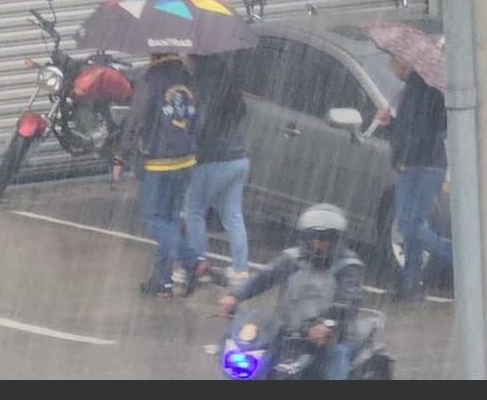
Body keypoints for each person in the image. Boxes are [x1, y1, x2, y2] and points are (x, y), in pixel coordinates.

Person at [217, 204, 365, 380]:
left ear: (338, 241)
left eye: (326, 241)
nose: (319, 246)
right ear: (305, 238)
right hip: (288, 333)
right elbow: (263, 277)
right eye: (315, 240)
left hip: (333, 339)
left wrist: (327, 324)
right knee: (246, 364)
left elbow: (349, 301)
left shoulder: (348, 266)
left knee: (334, 367)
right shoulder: (293, 259)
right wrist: (235, 296)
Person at [114, 52, 198, 299]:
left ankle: (191, 261)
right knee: (170, 221)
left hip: (161, 160)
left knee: (153, 218)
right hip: (186, 158)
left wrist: (120, 156)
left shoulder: (151, 80)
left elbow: (136, 119)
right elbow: (196, 116)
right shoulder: (188, 78)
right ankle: (163, 282)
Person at [375, 56, 451, 302]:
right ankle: (411, 280)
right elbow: (410, 129)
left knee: (408, 222)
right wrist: (390, 124)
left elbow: (416, 131)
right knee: (412, 224)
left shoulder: (419, 92)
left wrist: (405, 156)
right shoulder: (417, 90)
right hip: (427, 163)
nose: (391, 67)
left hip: (420, 165)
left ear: (405, 64)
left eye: (393, 62)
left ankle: (457, 259)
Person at [178, 53, 251, 297]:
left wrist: (190, 140)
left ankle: (197, 265)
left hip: (213, 159)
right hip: (239, 157)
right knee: (233, 215)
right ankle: (240, 271)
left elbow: (202, 123)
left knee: (194, 211)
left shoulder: (204, 85)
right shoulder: (230, 85)